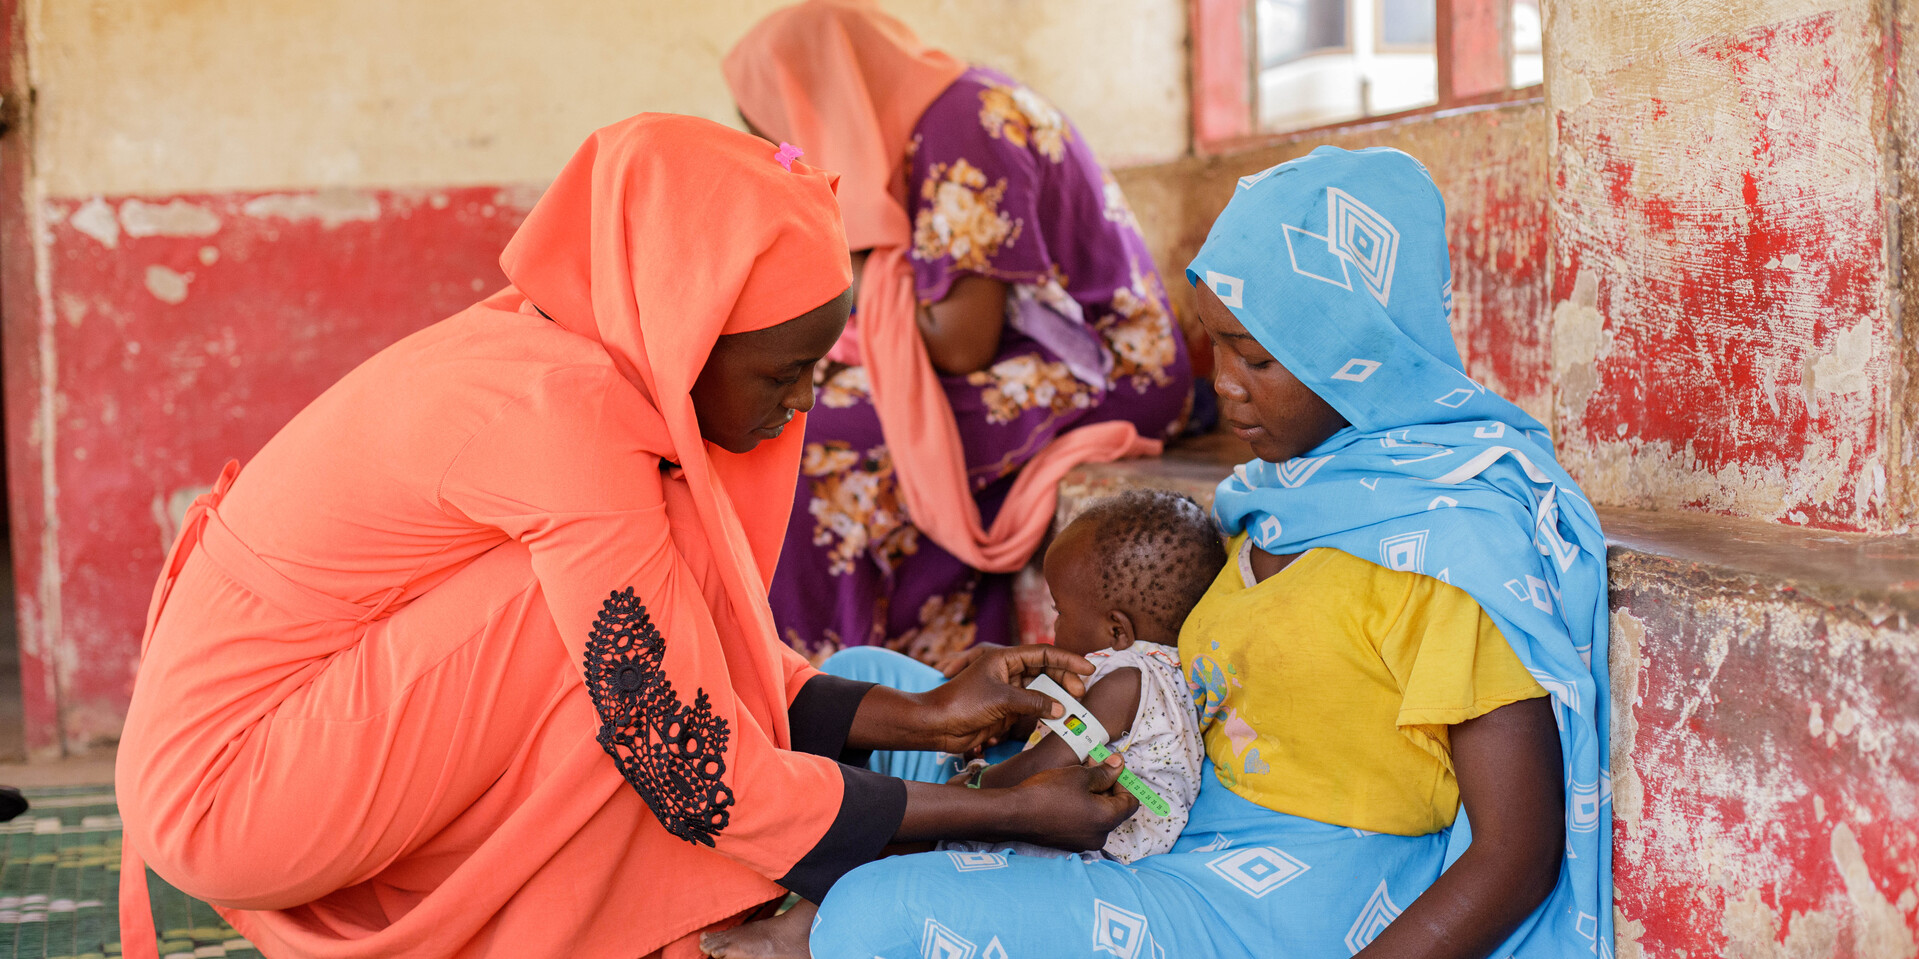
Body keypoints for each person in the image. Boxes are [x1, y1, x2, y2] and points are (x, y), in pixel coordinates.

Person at [113, 114, 1138, 959]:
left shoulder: (573, 356)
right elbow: (691, 756)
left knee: (628, 631)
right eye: (779, 372)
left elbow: (699, 663)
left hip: (273, 750)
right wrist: (1004, 812)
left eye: (815, 368)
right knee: (615, 653)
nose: (800, 406)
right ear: (678, 330)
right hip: (236, 790)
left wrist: (925, 712)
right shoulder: (559, 421)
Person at [800, 147, 1613, 959]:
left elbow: (1515, 854)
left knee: (870, 913)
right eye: (1214, 347)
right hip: (1171, 804)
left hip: (1286, 891)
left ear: (1360, 350)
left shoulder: (1449, 549)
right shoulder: (1280, 500)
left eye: (1254, 357)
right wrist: (1051, 690)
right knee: (884, 688)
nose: (1222, 382)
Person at [723, 0, 1194, 666]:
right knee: (817, 400)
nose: (788, 154)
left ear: (826, 95)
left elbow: (959, 341)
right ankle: (895, 659)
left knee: (812, 435)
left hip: (1109, 366)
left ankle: (832, 675)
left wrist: (855, 251)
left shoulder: (963, 121)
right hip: (1029, 354)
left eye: (785, 130)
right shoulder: (934, 121)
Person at [699, 489, 1222, 958]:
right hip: (1102, 830)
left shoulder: (1123, 679)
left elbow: (1046, 764)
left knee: (918, 843)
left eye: (1060, 612)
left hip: (1096, 843)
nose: (1052, 626)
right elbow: (1065, 729)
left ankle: (791, 936)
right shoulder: (1158, 672)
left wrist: (972, 790)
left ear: (1116, 629)